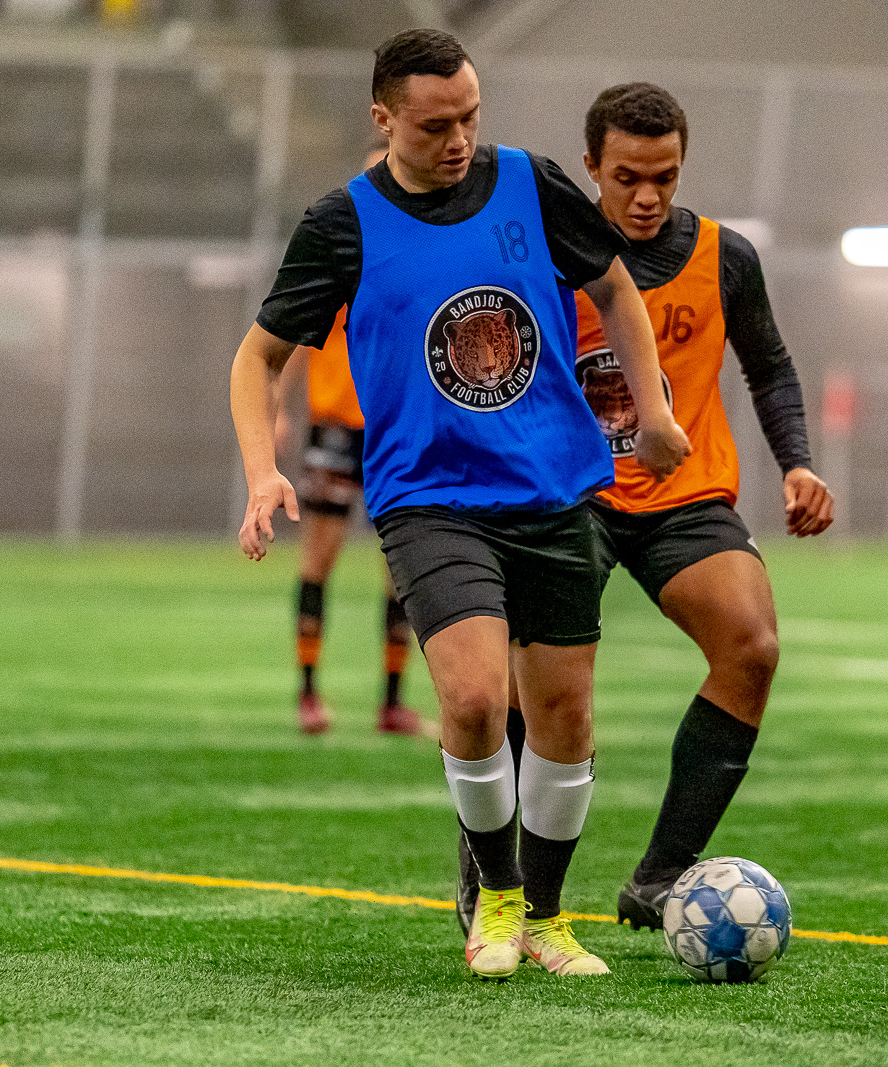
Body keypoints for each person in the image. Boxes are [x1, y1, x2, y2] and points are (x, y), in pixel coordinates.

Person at [229, 29, 690, 980]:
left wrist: (654, 412)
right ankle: (498, 893)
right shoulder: (342, 224)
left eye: (471, 116)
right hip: (430, 498)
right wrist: (260, 469)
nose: (459, 138)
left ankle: (550, 918)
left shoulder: (532, 181)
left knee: (564, 717)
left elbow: (615, 286)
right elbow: (257, 357)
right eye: (437, 124)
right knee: (477, 700)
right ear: (383, 117)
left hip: (553, 486)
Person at [454, 82, 834, 936]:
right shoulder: (542, 253)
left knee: (753, 646)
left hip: (680, 497)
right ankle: (490, 877)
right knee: (533, 689)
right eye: (627, 176)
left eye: (664, 175)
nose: (648, 194)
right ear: (591, 167)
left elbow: (768, 365)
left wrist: (799, 465)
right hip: (565, 496)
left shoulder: (725, 256)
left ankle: (661, 875)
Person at [278, 284, 424, 736]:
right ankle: (308, 694)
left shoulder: (401, 263)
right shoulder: (339, 261)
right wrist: (283, 409)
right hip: (336, 430)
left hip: (392, 432)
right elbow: (294, 338)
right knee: (317, 562)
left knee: (401, 570)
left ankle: (393, 703)